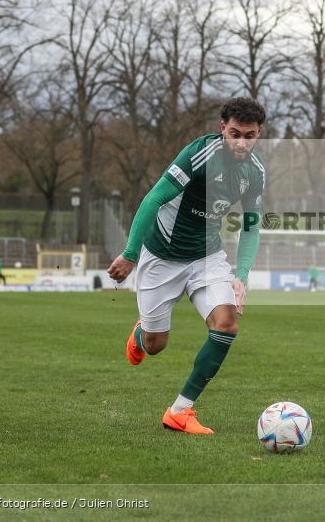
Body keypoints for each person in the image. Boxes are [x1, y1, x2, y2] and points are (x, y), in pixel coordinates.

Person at [107, 97, 266, 434]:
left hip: (206, 258)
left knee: (227, 323)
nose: (241, 143)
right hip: (161, 256)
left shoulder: (255, 173)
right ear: (222, 128)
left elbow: (251, 226)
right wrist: (131, 253)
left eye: (249, 136)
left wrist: (241, 275)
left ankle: (181, 411)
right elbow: (154, 198)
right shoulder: (199, 154)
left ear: (259, 134)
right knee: (155, 346)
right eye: (234, 133)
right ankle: (141, 332)